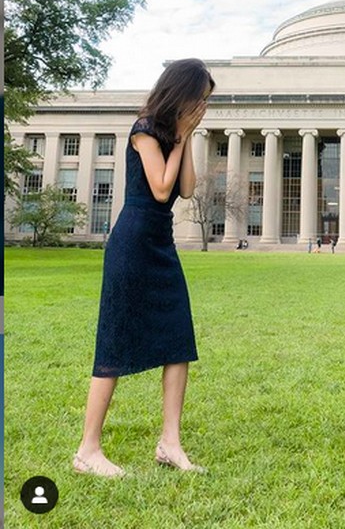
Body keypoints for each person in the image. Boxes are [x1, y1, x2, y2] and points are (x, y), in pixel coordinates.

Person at [74, 58, 215, 477]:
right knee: (115, 342)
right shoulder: (144, 130)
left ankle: (170, 442)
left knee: (178, 339)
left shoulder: (172, 133)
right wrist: (181, 134)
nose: (203, 107)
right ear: (182, 92)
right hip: (133, 242)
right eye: (201, 99)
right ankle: (87, 450)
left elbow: (186, 189)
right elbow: (159, 188)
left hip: (160, 243)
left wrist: (186, 139)